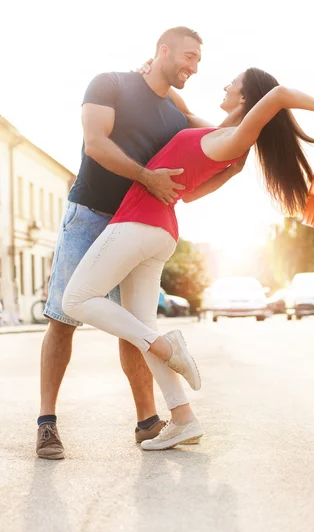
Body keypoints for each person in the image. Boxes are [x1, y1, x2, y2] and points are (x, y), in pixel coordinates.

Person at [62, 67, 314, 451]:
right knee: (143, 324)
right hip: (161, 230)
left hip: (138, 223)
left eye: (233, 82)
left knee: (75, 300)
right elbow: (189, 191)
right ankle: (184, 419)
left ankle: (166, 347)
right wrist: (152, 71)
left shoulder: (234, 139)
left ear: (245, 98)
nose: (225, 84)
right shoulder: (222, 136)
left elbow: (276, 96)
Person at [36, 26, 247, 460]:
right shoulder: (110, 83)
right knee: (63, 317)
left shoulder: (176, 107)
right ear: (162, 50)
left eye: (198, 61)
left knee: (132, 324)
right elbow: (96, 144)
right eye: (188, 56)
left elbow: (222, 138)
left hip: (138, 224)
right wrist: (147, 177)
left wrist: (253, 127)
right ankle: (47, 423)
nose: (193, 67)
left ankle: (149, 420)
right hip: (91, 214)